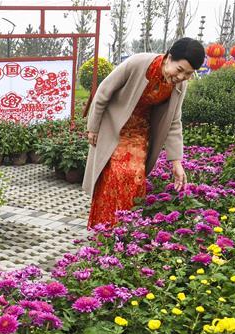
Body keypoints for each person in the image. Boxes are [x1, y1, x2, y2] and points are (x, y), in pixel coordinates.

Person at [83, 38, 205, 229]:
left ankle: (128, 229)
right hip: (115, 127)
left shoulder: (179, 85)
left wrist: (176, 162)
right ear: (169, 57)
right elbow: (103, 92)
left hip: (140, 132)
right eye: (180, 70)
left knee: (136, 176)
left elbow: (174, 122)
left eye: (188, 74)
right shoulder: (138, 63)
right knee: (114, 175)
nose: (181, 77)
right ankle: (105, 229)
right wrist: (93, 127)